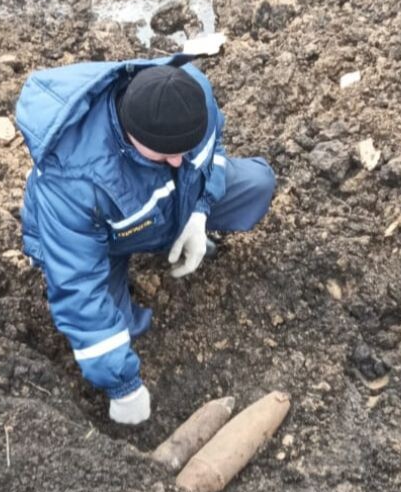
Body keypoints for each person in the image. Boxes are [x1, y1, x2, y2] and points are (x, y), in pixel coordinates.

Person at [15, 54, 276, 425]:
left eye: (184, 150)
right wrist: (123, 386)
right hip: (101, 240)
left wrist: (200, 210)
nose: (178, 160)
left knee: (256, 183)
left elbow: (212, 150)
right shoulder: (73, 182)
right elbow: (77, 289)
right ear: (131, 135)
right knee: (114, 327)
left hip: (162, 208)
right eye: (166, 153)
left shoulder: (190, 93)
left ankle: (170, 233)